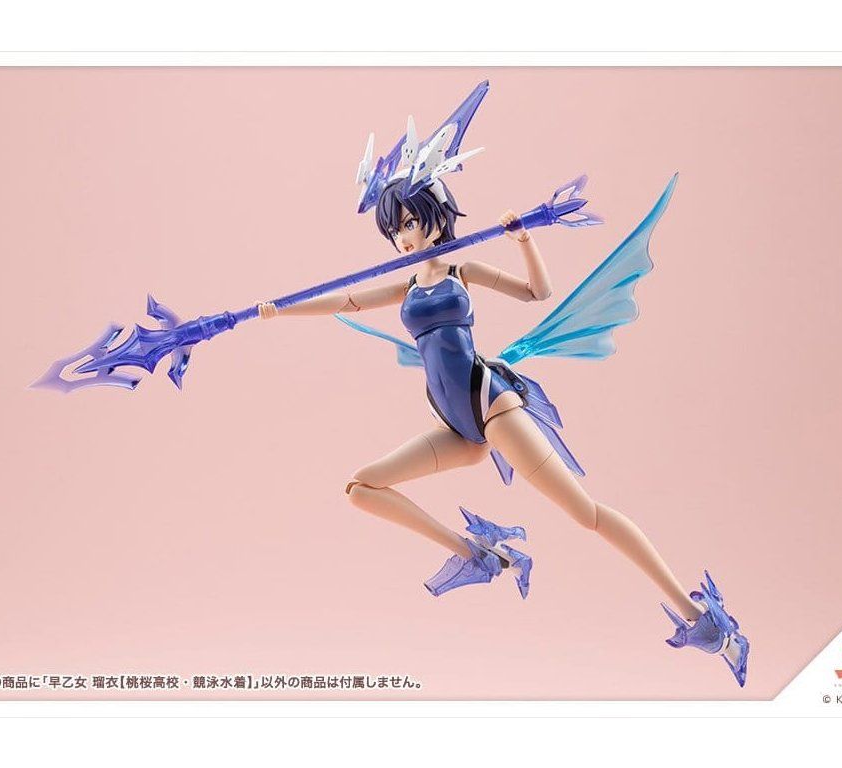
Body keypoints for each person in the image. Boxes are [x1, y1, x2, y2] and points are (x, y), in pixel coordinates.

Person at [255, 81, 749, 687]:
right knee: (362, 488)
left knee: (587, 514)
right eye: (396, 230)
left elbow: (538, 293)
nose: (404, 238)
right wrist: (279, 311)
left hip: (490, 407)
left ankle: (706, 621)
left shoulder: (461, 270)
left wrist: (524, 240)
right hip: (453, 422)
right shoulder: (406, 286)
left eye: (410, 223)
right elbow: (348, 301)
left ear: (436, 216)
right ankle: (483, 554)